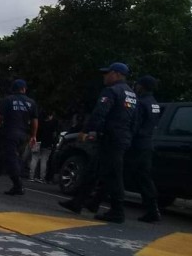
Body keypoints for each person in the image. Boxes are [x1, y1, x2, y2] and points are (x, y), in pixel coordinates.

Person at [59, 62, 137, 223]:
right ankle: (78, 202)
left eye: (107, 73)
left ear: (116, 74)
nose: (105, 76)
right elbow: (135, 120)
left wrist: (86, 131)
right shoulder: (131, 94)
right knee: (93, 170)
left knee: (114, 175)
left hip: (111, 138)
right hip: (121, 137)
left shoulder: (112, 91)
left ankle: (117, 211)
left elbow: (100, 113)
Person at [0, 79, 38, 195]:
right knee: (3, 158)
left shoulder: (8, 100)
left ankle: (18, 186)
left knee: (11, 159)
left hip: (10, 134)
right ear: (24, 89)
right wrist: (34, 135)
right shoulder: (31, 103)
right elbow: (35, 120)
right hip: (23, 136)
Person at [128, 75, 162, 222]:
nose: (135, 87)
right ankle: (153, 209)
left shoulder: (140, 103)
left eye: (137, 84)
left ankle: (100, 203)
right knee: (144, 178)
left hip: (137, 144)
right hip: (147, 144)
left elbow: (135, 124)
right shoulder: (154, 103)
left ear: (142, 86)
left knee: (116, 172)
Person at [30, 111, 59, 183]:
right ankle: (41, 177)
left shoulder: (39, 121)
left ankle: (31, 176)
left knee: (34, 159)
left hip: (37, 141)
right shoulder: (54, 123)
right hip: (47, 143)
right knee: (44, 160)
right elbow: (54, 135)